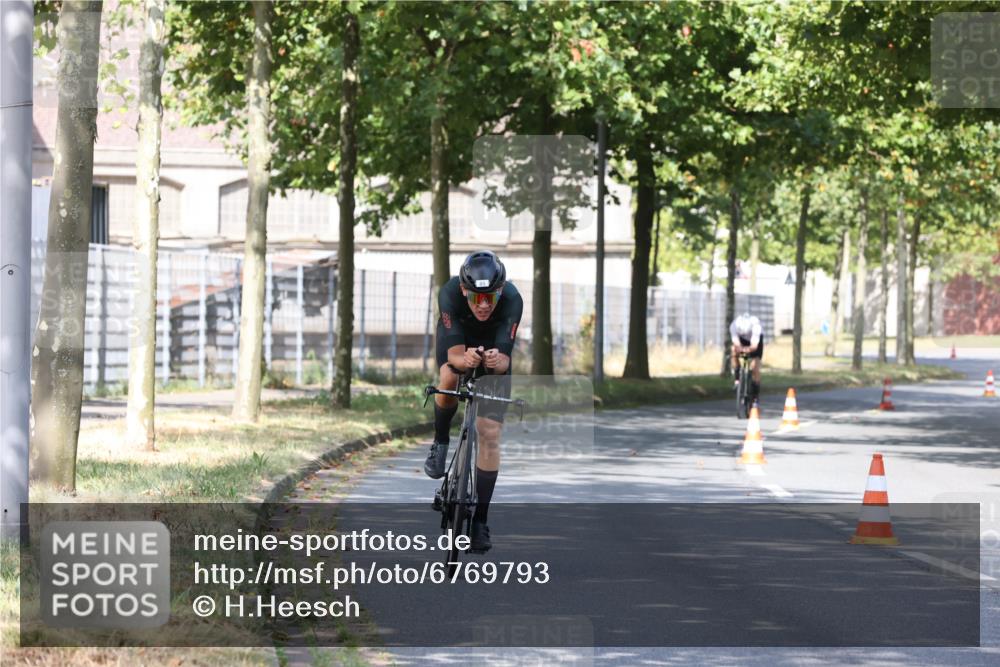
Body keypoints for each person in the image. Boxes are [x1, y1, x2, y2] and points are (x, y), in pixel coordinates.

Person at [423, 250, 523, 553]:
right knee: (449, 378)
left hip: (495, 347)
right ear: (464, 290)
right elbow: (453, 355)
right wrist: (464, 358)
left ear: (500, 292)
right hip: (458, 342)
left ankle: (480, 521)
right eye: (476, 297)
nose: (482, 304)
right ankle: (440, 443)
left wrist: (495, 359)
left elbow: (504, 361)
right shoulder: (450, 293)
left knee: (489, 432)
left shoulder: (513, 300)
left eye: (489, 298)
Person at [730, 312, 764, 405]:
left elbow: (754, 346)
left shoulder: (756, 326)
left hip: (755, 342)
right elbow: (736, 343)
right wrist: (740, 349)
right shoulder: (734, 325)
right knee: (733, 350)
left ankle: (755, 395)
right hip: (742, 342)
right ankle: (737, 379)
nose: (745, 334)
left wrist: (748, 350)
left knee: (754, 368)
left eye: (746, 332)